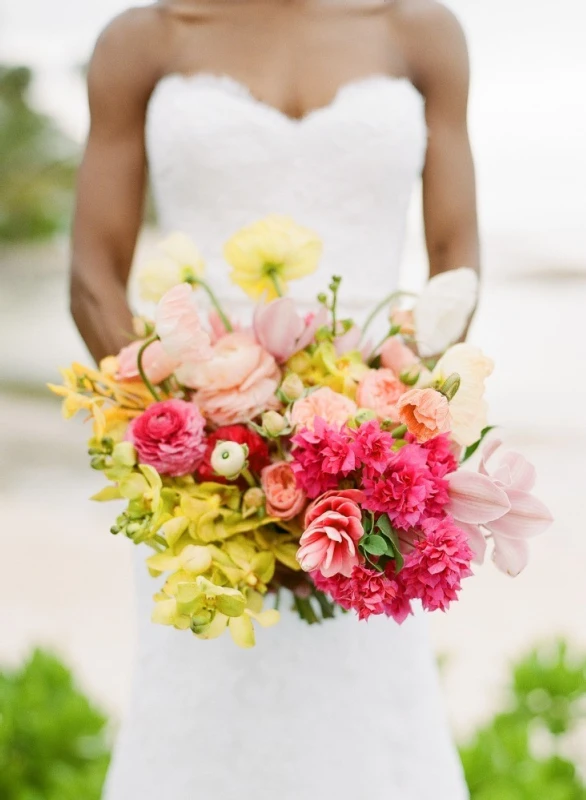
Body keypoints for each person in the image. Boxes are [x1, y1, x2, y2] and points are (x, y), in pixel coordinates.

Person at [70, 1, 478, 797]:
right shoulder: (145, 37)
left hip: (371, 466)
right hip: (198, 473)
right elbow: (92, 276)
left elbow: (457, 260)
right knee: (198, 701)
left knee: (373, 721)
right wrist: (188, 446)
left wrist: (374, 460)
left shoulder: (420, 30)